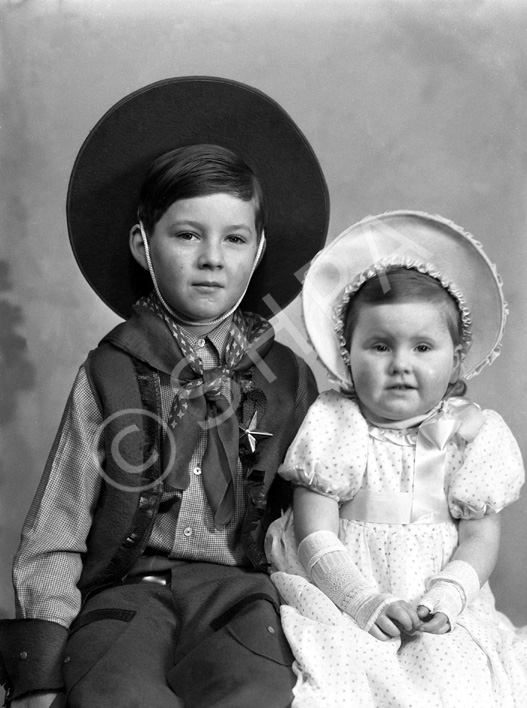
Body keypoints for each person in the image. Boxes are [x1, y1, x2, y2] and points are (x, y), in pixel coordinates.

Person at [0, 77, 330, 708]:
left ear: (259, 251)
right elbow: (56, 528)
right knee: (116, 695)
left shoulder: (287, 377)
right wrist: (37, 672)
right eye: (187, 235)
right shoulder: (110, 371)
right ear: (142, 245)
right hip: (125, 591)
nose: (212, 258)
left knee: (256, 693)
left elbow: (316, 515)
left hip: (240, 593)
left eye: (234, 238)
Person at [265, 211, 527, 707]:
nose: (401, 365)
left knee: (458, 686)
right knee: (341, 684)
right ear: (348, 355)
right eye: (380, 346)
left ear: (456, 358)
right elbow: (314, 529)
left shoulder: (469, 434)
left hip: (438, 594)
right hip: (346, 594)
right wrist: (361, 601)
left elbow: (479, 534)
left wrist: (448, 596)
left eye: (423, 347)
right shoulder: (336, 423)